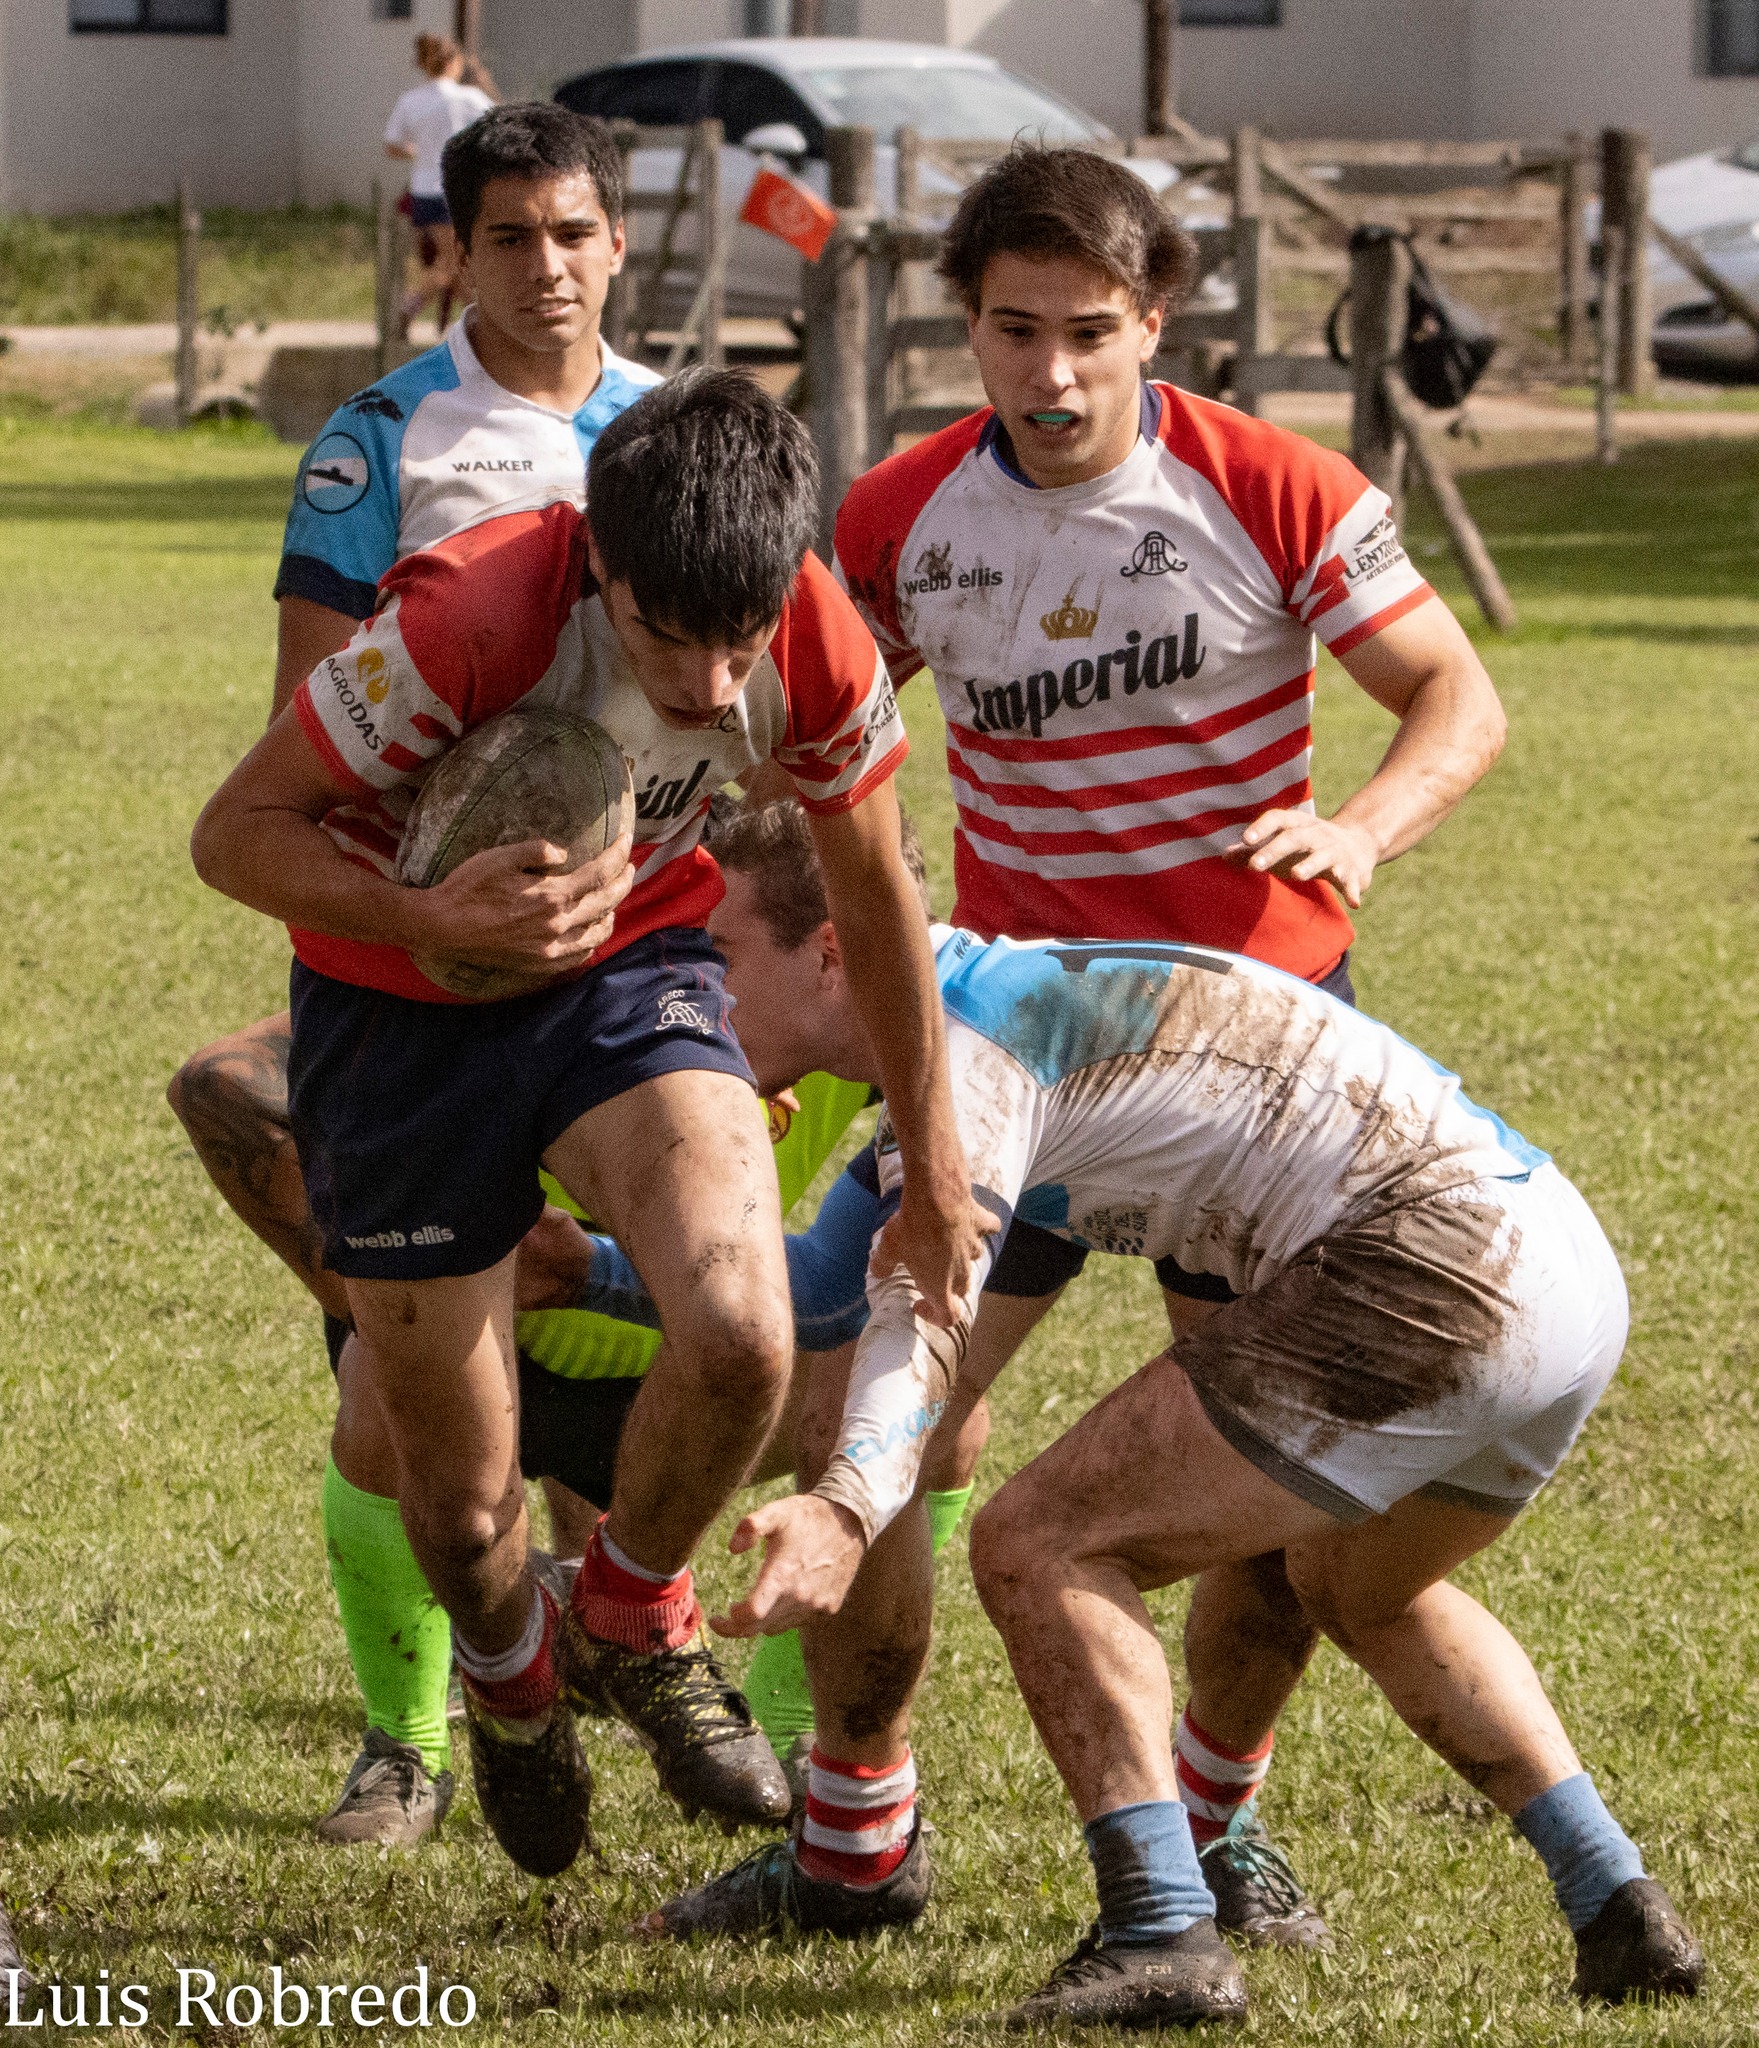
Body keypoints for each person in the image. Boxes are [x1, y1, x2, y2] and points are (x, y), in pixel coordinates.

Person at [644, 799, 1704, 2026]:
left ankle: (1160, 1926)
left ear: (831, 948)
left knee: (1037, 1541)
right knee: (1360, 1586)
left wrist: (842, 1503)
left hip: (1435, 1264)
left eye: (705, 957)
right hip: (1561, 1267)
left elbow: (913, 1327)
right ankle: (1613, 1899)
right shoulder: (990, 1000)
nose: (689, 996)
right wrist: (596, 1273)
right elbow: (832, 1290)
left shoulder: (965, 1055)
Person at [824, 140, 1510, 1941]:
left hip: (1258, 1050)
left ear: (1152, 321)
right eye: (1003, 332)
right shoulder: (898, 516)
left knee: (1258, 1486)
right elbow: (799, 729)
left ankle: (1212, 1826)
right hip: (1021, 1045)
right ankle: (851, 1840)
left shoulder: (1270, 486)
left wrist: (1357, 833)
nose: (1042, 376)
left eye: (1079, 334)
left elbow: (1455, 692)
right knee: (879, 1436)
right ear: (961, 326)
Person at [188, 369, 985, 1880]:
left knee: (746, 1333)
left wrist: (934, 1179)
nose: (701, 684)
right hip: (400, 1013)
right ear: (596, 561)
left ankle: (629, 1613)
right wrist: (420, 912)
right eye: (660, 637)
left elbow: (877, 895)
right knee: (471, 1507)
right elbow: (233, 836)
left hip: (632, 967)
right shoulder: (466, 619)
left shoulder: (803, 634)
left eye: (732, 641)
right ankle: (505, 1689)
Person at [167, 101, 673, 1847]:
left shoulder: (670, 440)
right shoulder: (377, 443)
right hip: (422, 979)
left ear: (622, 245)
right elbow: (310, 736)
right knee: (395, 1398)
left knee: (654, 1324)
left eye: (574, 233)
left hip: (628, 968)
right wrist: (435, 915)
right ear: (452, 250)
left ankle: (637, 1647)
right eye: (509, 236)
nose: (545, 267)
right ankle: (406, 1738)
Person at [384, 33, 494, 334]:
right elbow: (500, 128)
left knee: (455, 263)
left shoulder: (410, 101)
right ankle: (411, 306)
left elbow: (392, 145)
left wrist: (419, 151)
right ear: (453, 62)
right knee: (455, 262)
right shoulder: (469, 98)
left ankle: (479, 327)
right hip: (455, 190)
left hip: (423, 191)